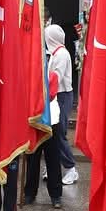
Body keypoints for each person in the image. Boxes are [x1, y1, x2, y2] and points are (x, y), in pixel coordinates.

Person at [22, 27, 67, 210]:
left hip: (51, 117)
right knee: (32, 157)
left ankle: (56, 195)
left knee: (53, 157)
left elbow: (53, 89)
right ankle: (29, 193)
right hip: (35, 117)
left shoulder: (56, 64)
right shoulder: (33, 69)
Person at [45, 24, 80, 186]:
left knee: (59, 133)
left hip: (61, 96)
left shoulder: (61, 54)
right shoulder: (56, 53)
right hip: (57, 95)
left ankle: (71, 168)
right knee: (52, 133)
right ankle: (53, 166)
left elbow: (55, 78)